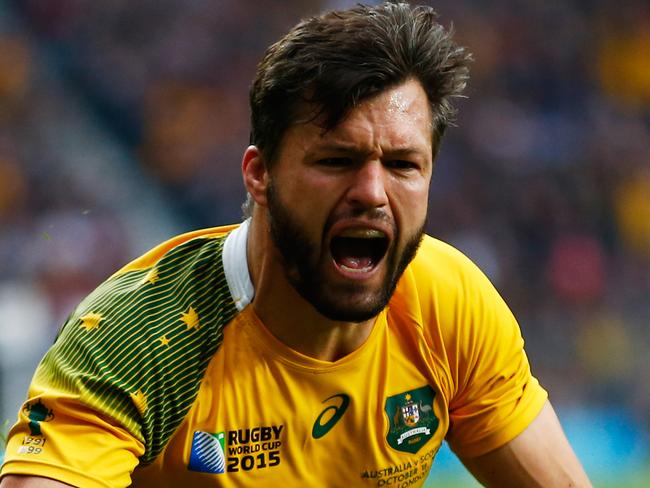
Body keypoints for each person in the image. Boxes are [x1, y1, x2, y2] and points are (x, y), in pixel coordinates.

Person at [1, 3, 592, 487]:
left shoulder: (447, 302)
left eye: (404, 165)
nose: (373, 193)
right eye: (337, 160)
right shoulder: (143, 337)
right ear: (259, 174)